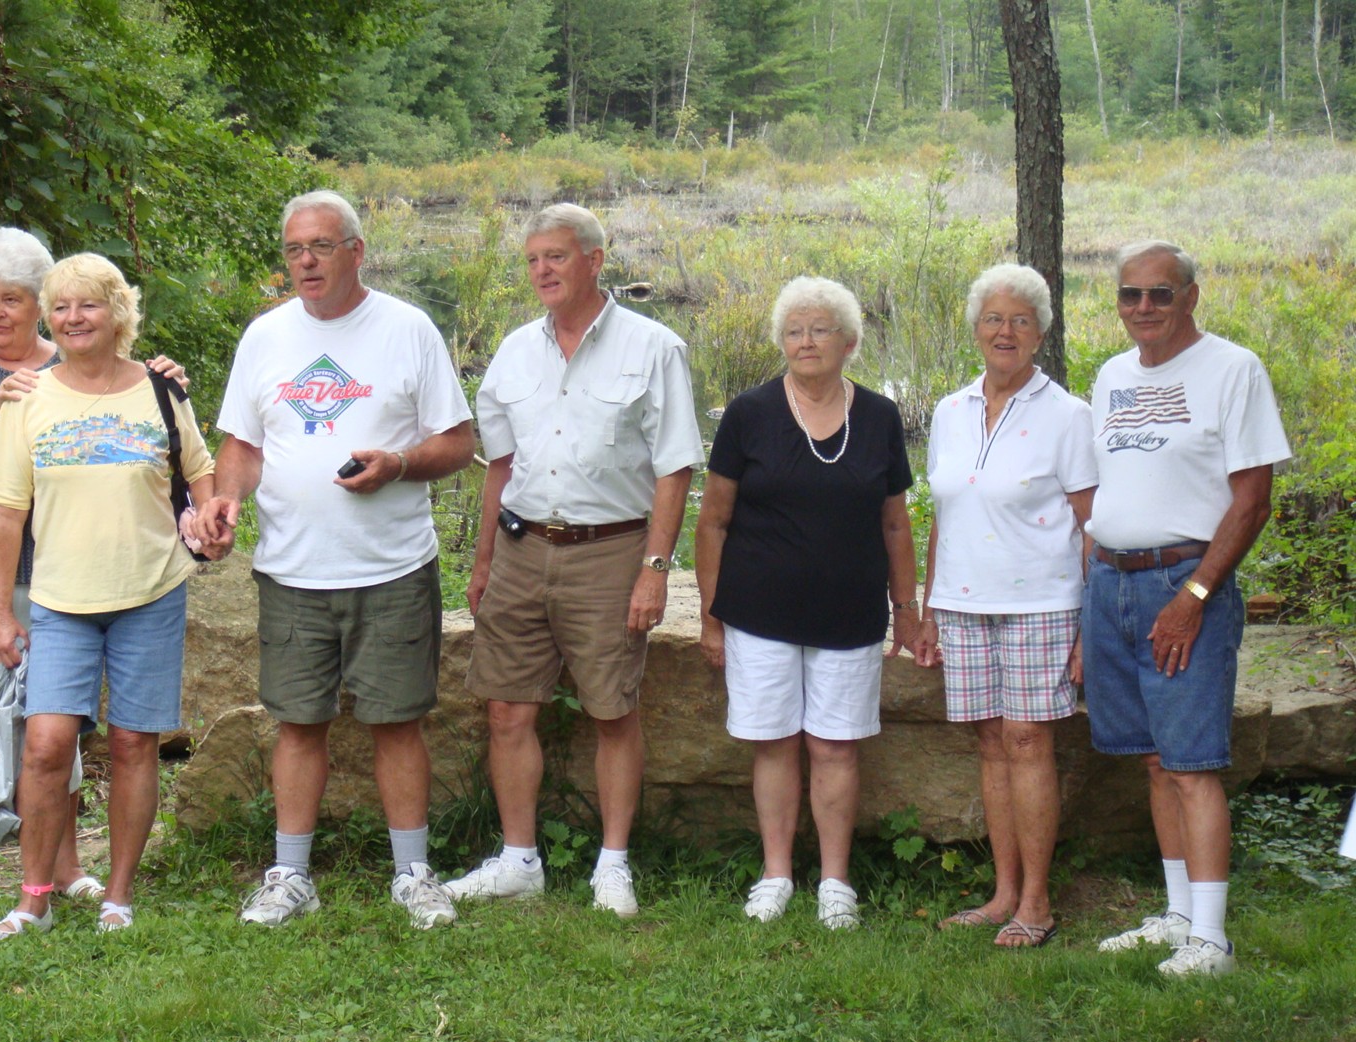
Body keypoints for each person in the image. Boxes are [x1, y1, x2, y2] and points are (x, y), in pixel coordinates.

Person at [194, 190, 475, 931]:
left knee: (398, 722)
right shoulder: (265, 336)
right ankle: (290, 875)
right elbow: (242, 446)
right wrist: (226, 500)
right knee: (297, 724)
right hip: (291, 570)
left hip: (392, 567)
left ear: (357, 251)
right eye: (294, 250)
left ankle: (414, 874)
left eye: (321, 246)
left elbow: (458, 442)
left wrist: (399, 464)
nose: (306, 261)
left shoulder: (407, 329)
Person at [0, 227, 184, 917]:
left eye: (13, 299)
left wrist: (165, 380)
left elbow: (141, 418)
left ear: (40, 305)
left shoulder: (72, 362)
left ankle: (66, 868)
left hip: (59, 582)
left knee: (56, 738)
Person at [448, 202, 702, 917]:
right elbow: (500, 464)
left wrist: (655, 570)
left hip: (609, 552)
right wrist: (484, 561)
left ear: (595, 259)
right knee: (507, 708)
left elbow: (675, 467)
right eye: (532, 260)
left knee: (612, 710)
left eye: (556, 256)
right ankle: (519, 860)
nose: (542, 271)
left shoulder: (654, 348)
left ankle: (613, 865)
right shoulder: (514, 351)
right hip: (522, 548)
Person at [0, 253, 217, 940]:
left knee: (135, 743)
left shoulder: (163, 389)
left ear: (118, 314)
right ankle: (34, 900)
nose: (74, 318)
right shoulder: (28, 398)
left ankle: (118, 895)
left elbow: (200, 471)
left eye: (89, 305)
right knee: (46, 746)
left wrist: (210, 517)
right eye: (61, 307)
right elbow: (6, 513)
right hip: (60, 601)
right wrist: (0, 612)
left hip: (151, 591)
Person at [1085, 240, 1288, 977]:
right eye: (1130, 294)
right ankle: (1176, 916)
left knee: (1192, 764)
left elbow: (1253, 500)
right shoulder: (1111, 376)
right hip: (1111, 584)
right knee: (1154, 760)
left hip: (1183, 583)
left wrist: (1195, 595)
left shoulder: (1233, 370)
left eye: (1160, 293)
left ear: (1191, 297)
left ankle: (1212, 938)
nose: (1143, 307)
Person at [695, 276, 918, 926]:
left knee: (836, 747)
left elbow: (896, 524)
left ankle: (836, 883)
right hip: (758, 612)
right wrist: (712, 615)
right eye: (794, 331)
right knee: (773, 743)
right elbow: (712, 521)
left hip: (850, 613)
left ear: (849, 341)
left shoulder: (879, 416)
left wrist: (905, 608)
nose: (806, 341)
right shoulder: (749, 413)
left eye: (820, 329)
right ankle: (776, 875)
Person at [912, 264, 1097, 948]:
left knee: (1025, 740)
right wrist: (929, 608)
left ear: (1041, 333)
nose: (1005, 331)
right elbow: (944, 517)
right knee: (990, 743)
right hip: (963, 602)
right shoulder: (950, 411)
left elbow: (1092, 527)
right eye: (993, 318)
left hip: (1042, 604)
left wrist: (1088, 628)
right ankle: (1003, 894)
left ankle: (1037, 903)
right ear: (976, 329)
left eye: (1021, 320)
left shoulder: (1068, 416)